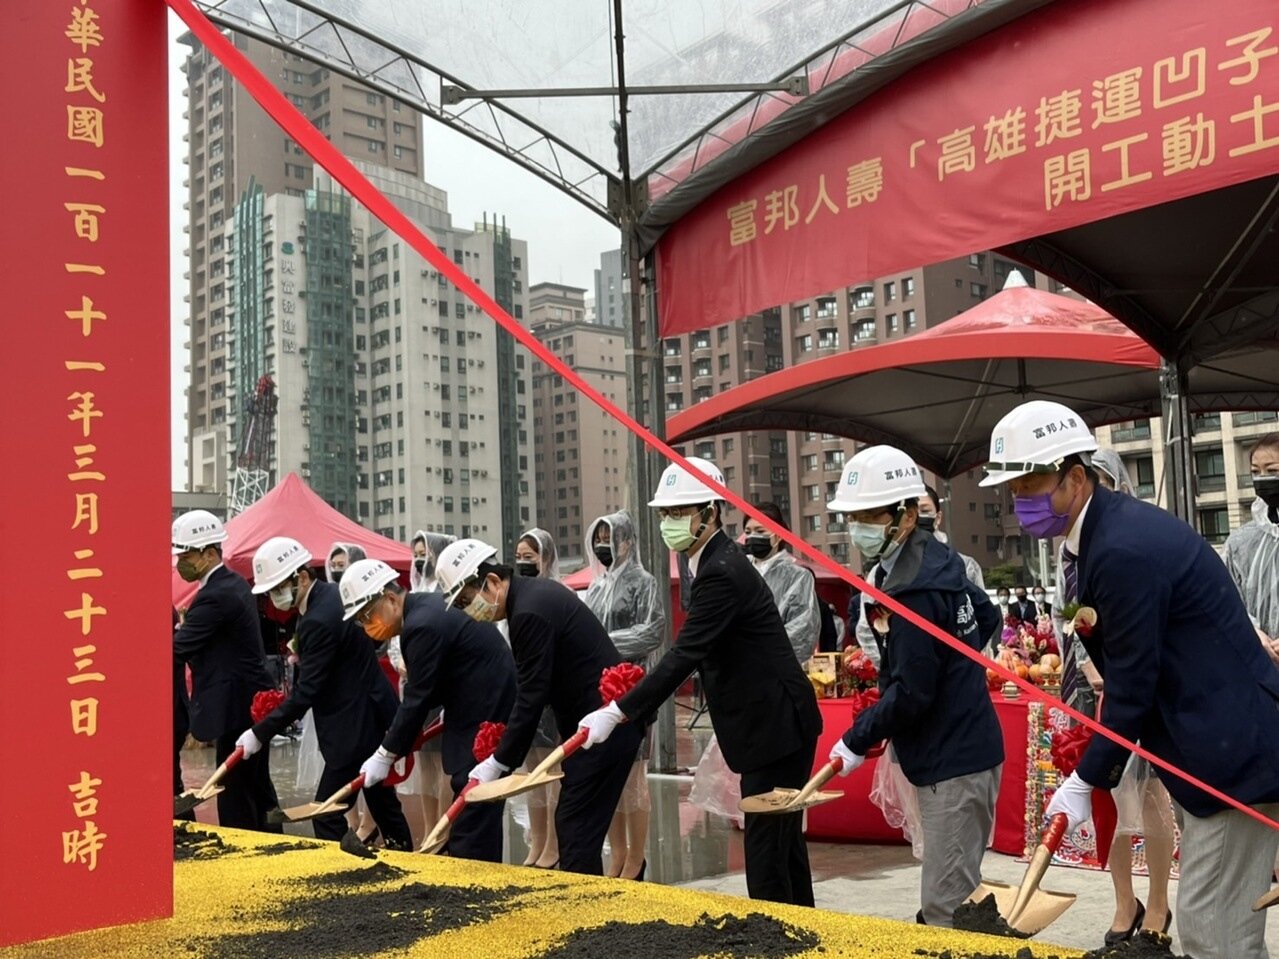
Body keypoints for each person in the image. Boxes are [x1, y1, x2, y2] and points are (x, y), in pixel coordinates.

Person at [981, 399, 1279, 959]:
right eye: (1013, 489)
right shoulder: (1101, 536)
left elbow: (1133, 681)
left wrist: (1085, 780)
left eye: (1030, 484)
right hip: (1206, 746)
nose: (1020, 501)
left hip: (1233, 756)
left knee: (1214, 930)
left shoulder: (1122, 548)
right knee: (1218, 925)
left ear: (1075, 476)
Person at [576, 457, 822, 907]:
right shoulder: (710, 562)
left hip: (776, 727)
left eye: (679, 512)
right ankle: (807, 938)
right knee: (782, 850)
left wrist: (618, 710)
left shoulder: (722, 572)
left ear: (710, 513)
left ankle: (782, 941)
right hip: (773, 723)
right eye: (665, 513)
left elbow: (685, 654)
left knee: (769, 858)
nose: (670, 522)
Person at [827, 446, 1004, 927]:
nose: (858, 527)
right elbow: (986, 617)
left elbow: (913, 692)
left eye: (870, 515)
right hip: (960, 747)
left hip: (954, 758)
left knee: (945, 907)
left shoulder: (914, 590)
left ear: (906, 514)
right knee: (952, 890)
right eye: (853, 516)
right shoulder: (934, 561)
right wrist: (955, 671)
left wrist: (857, 737)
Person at [437, 538, 643, 875]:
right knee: (576, 824)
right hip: (591, 728)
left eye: (466, 600)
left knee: (575, 827)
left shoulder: (529, 612)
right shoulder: (530, 597)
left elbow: (531, 695)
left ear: (491, 582)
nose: (468, 611)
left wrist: (499, 762)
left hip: (603, 728)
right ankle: (595, 903)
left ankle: (589, 910)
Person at [1061, 449, 1174, 947]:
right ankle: (1123, 900)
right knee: (1106, 801)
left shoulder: (1129, 547)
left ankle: (1160, 903)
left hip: (1134, 693)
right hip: (1092, 693)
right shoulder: (1070, 555)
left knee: (1150, 799)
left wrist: (1118, 672)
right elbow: (1070, 618)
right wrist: (1087, 666)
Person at [234, 538, 411, 848]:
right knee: (383, 802)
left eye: (278, 587)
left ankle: (345, 872)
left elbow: (306, 693)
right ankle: (407, 859)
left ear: (302, 577)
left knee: (326, 811)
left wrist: (259, 733)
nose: (275, 598)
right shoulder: (329, 598)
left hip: (353, 725)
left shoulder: (317, 618)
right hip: (371, 712)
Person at [345, 559, 517, 862]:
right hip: (473, 700)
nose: (366, 625)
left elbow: (417, 697)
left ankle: (474, 874)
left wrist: (385, 753)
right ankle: (478, 869)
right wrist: (400, 744)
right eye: (360, 619)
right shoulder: (423, 611)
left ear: (390, 599)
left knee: (472, 797)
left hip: (485, 708)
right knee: (472, 796)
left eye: (367, 614)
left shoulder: (421, 624)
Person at [171, 510, 280, 832]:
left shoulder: (216, 595)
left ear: (209, 553)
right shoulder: (230, 585)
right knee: (257, 786)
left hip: (236, 706)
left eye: (186, 555)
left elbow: (176, 650)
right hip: (247, 701)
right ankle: (273, 845)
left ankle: (245, 851)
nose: (181, 563)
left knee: (236, 791)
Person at [582, 511, 664, 880]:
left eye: (609, 538)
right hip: (600, 691)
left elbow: (653, 630)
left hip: (634, 687)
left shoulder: (644, 583)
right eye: (597, 539)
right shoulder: (595, 587)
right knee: (608, 776)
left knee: (635, 777)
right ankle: (616, 853)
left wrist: (606, 644)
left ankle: (637, 856)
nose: (603, 546)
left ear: (627, 541)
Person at [509, 526, 566, 868]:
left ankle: (555, 845)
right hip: (526, 692)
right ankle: (539, 840)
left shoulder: (555, 594)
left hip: (550, 694)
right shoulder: (519, 599)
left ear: (546, 558)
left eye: (529, 557)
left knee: (551, 772)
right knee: (532, 774)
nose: (522, 564)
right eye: (517, 558)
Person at [393, 531, 454, 846]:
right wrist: (400, 660)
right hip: (413, 681)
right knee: (426, 765)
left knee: (443, 763)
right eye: (415, 552)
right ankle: (430, 827)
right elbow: (396, 639)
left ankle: (443, 830)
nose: (420, 558)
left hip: (437, 688)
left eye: (425, 552)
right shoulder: (413, 591)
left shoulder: (443, 592)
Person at [1224, 433, 1279, 667]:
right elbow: (1226, 597)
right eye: (1256, 472)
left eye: (1272, 469)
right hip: (1260, 665)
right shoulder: (1242, 541)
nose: (1263, 478)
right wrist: (1253, 633)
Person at [917, 485, 985, 590]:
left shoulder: (966, 565)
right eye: (910, 513)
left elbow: (979, 605)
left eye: (925, 511)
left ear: (938, 517)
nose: (917, 517)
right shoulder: (890, 567)